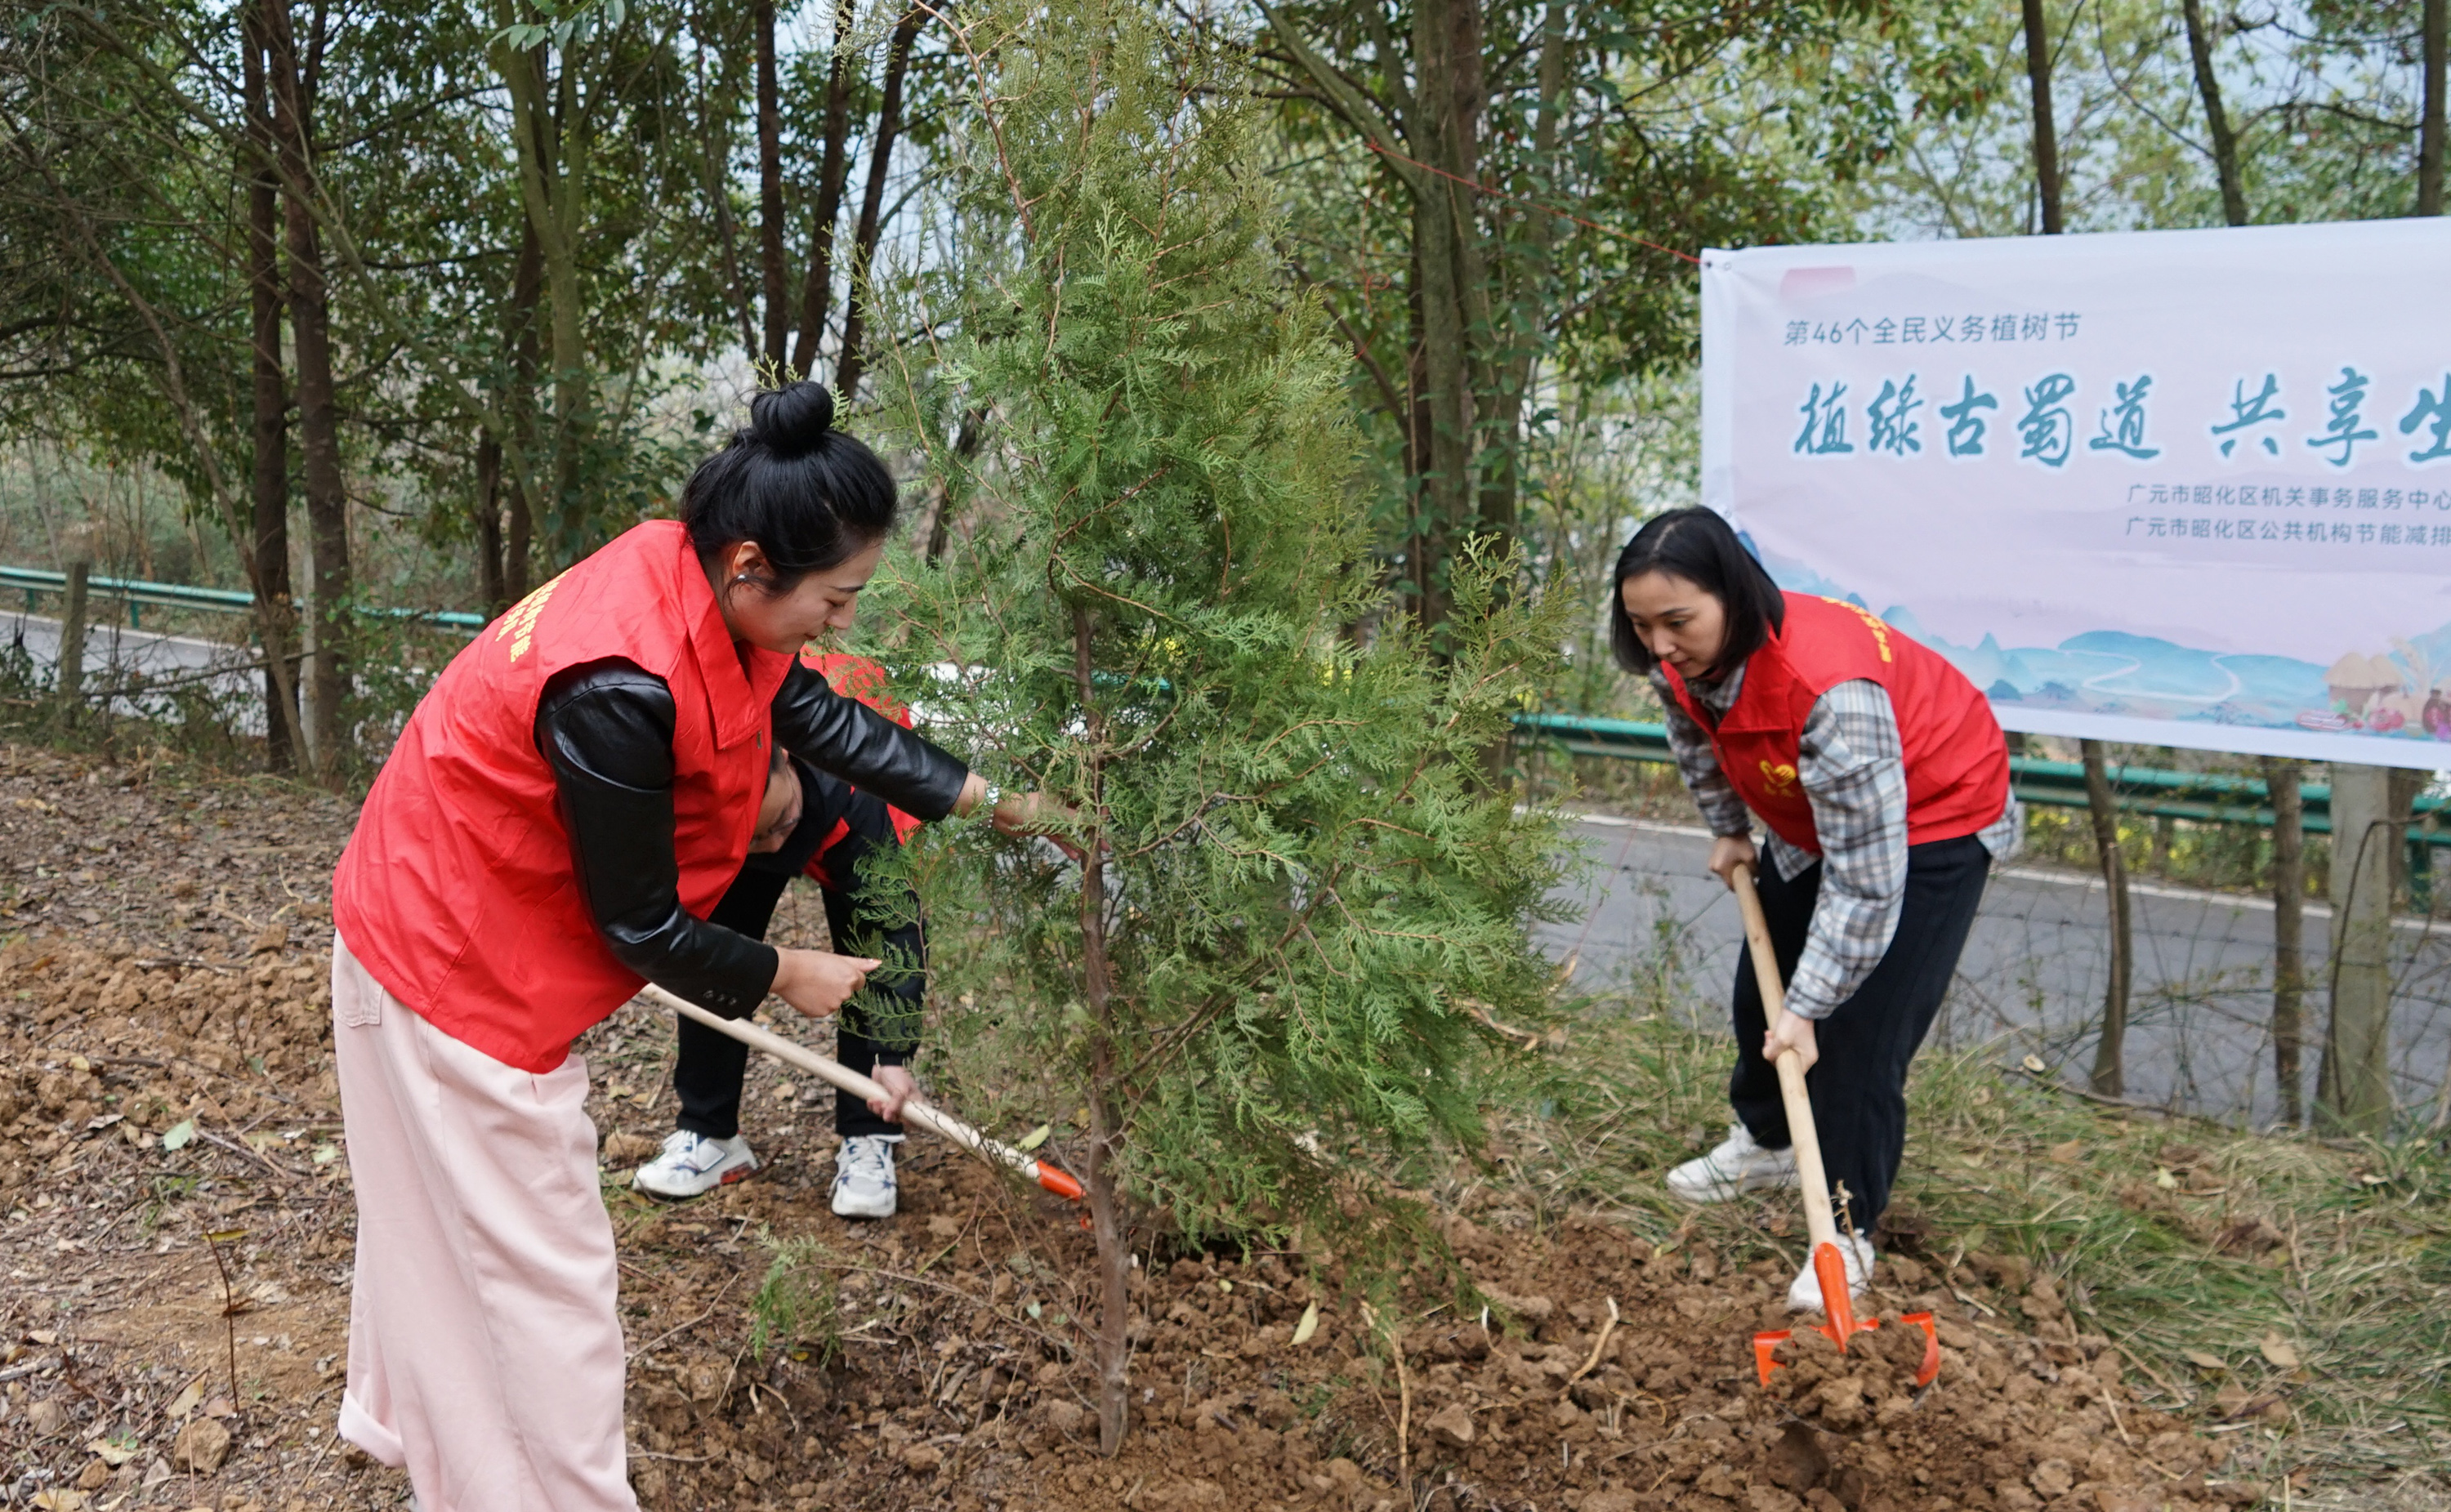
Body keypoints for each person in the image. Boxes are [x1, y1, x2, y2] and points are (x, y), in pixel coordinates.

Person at [326, 383, 1047, 1511]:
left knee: (447, 1239)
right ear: (754, 563)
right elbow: (640, 924)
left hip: (451, 929)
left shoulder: (702, 579)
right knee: (545, 1281)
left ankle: (446, 1459)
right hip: (448, 965)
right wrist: (785, 974)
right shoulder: (616, 679)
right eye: (836, 596)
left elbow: (821, 716)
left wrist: (980, 794)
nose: (843, 620)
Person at [1610, 507, 2016, 1312]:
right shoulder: (1681, 661)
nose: (1659, 645)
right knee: (1757, 993)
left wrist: (1812, 1007)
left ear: (1733, 593)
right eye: (1640, 624)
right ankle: (1765, 1143)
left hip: (1935, 817)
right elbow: (1696, 737)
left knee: (1857, 1038)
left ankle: (1845, 1231)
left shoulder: (1832, 694)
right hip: (1821, 818)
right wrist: (1729, 828)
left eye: (1677, 622)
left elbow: (1867, 883)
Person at [632, 652, 931, 1217]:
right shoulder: (716, 785)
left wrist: (893, 1050)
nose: (772, 845)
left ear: (789, 761)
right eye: (757, 836)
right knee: (720, 942)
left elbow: (897, 934)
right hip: (747, 812)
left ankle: (868, 1133)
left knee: (868, 960)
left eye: (779, 827)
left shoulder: (863, 798)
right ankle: (711, 1132)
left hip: (848, 811)